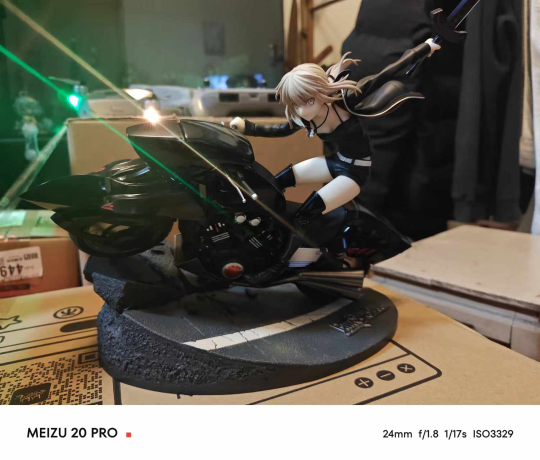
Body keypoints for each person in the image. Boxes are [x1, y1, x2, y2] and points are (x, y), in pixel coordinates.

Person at [230, 39, 441, 285]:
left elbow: (387, 72)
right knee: (275, 182)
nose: (300, 110)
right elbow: (279, 130)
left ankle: (285, 263)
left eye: (307, 101)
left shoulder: (344, 102)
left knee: (306, 213)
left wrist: (425, 48)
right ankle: (263, 239)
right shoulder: (303, 117)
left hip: (355, 172)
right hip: (335, 162)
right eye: (295, 103)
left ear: (320, 94)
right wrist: (247, 127)